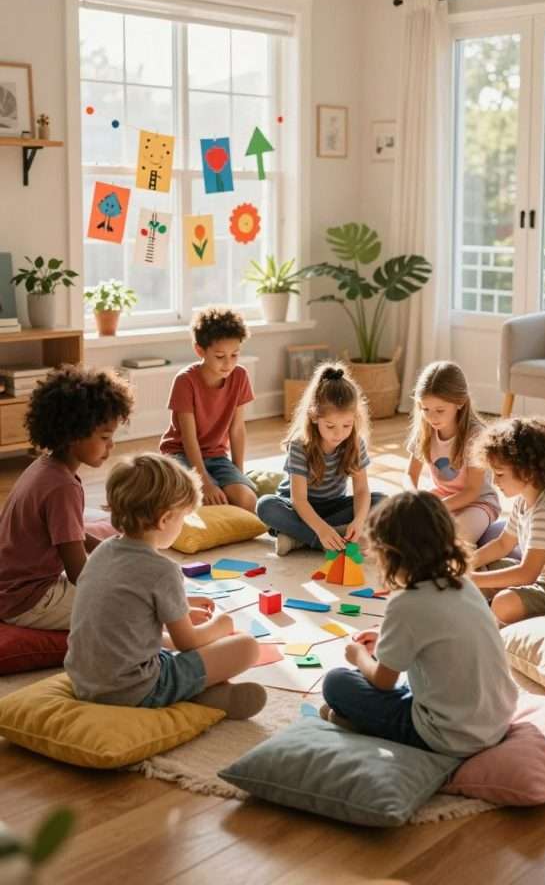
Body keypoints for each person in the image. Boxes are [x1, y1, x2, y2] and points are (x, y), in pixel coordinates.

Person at [65, 454, 266, 718]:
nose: (183, 525)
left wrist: (181, 607)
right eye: (183, 518)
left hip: (85, 682)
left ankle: (209, 697)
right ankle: (191, 696)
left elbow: (126, 613)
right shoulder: (163, 570)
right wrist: (222, 625)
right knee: (246, 646)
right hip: (135, 689)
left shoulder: (103, 551)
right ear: (164, 520)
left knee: (168, 650)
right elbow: (188, 642)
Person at [321, 491, 518, 757]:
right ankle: (355, 719)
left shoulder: (405, 604)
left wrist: (358, 657)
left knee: (336, 682)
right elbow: (441, 631)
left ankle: (360, 723)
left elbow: (383, 682)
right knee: (411, 676)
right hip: (497, 720)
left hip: (448, 736)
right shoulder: (464, 584)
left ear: (389, 553)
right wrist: (384, 637)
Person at [0, 365, 133, 630]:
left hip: (12, 585)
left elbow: (72, 534)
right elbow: (78, 573)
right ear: (73, 434)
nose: (112, 445)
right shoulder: (63, 487)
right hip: (28, 599)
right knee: (129, 607)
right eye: (105, 437)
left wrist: (111, 549)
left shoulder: (45, 466)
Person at [257, 363, 386, 556]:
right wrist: (321, 530)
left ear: (355, 419)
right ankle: (325, 541)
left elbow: (361, 490)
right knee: (266, 506)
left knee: (382, 502)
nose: (339, 433)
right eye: (330, 426)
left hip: (333, 507)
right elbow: (299, 500)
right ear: (315, 417)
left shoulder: (354, 443)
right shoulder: (300, 445)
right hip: (297, 508)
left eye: (347, 425)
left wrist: (358, 522)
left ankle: (296, 537)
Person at [469, 416, 545, 625]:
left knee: (504, 603)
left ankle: (493, 612)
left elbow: (527, 574)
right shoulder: (525, 500)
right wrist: (466, 565)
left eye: (500, 474)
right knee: (483, 565)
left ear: (528, 472)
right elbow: (503, 544)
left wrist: (472, 579)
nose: (494, 482)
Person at [160, 307, 256, 512]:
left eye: (235, 355)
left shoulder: (240, 376)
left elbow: (237, 429)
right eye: (220, 356)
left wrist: (238, 473)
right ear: (200, 350)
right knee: (195, 502)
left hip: (217, 455)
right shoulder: (185, 381)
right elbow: (188, 437)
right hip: (180, 453)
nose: (228, 363)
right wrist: (204, 480)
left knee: (247, 501)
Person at [405, 360, 500, 545]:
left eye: (440, 410)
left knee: (455, 541)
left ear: (460, 403)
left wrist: (436, 508)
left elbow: (472, 491)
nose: (432, 417)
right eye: (426, 409)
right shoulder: (425, 429)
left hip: (477, 503)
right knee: (402, 532)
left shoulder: (475, 435)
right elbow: (410, 474)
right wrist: (413, 500)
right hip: (440, 500)